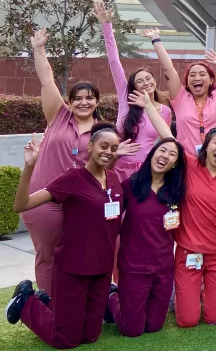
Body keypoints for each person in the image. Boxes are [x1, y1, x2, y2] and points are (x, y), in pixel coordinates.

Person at [19, 28, 138, 293]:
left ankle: (84, 301)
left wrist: (113, 157)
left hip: (83, 204)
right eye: (78, 98)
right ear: (70, 102)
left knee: (80, 255)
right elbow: (47, 80)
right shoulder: (58, 116)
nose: (84, 102)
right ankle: (50, 301)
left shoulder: (104, 131)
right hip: (45, 199)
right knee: (48, 254)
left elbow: (104, 169)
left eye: (89, 98)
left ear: (97, 102)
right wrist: (39, 49)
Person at [8, 124, 124, 348]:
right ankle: (26, 302)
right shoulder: (72, 178)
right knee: (66, 339)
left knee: (90, 336)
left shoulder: (114, 180)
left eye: (113, 147)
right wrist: (29, 165)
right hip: (74, 267)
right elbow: (21, 204)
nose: (108, 151)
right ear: (90, 147)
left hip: (102, 268)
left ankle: (47, 303)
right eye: (103, 146)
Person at [106, 132, 186, 337]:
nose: (165, 156)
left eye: (172, 155)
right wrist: (115, 157)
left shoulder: (176, 191)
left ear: (175, 164)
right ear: (152, 153)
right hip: (135, 267)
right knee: (132, 329)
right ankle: (112, 297)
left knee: (153, 326)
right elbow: (102, 185)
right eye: (162, 150)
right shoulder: (131, 186)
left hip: (163, 267)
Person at [161, 115, 216, 327]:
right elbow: (168, 138)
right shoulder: (190, 165)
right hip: (188, 251)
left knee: (215, 317)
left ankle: (204, 292)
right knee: (187, 320)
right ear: (206, 146)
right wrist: (148, 105)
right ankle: (190, 294)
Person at [95, 2, 171, 181]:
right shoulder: (126, 100)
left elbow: (166, 141)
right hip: (118, 168)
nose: (145, 83)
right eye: (139, 81)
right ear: (133, 87)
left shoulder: (165, 111)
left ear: (154, 81)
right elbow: (114, 63)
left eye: (148, 78)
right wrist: (107, 26)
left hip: (146, 172)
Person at [152, 25, 216, 155]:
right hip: (186, 161)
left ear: (211, 80)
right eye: (192, 75)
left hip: (214, 159)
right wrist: (156, 39)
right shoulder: (180, 98)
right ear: (188, 82)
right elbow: (168, 68)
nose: (197, 78)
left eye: (202, 74)